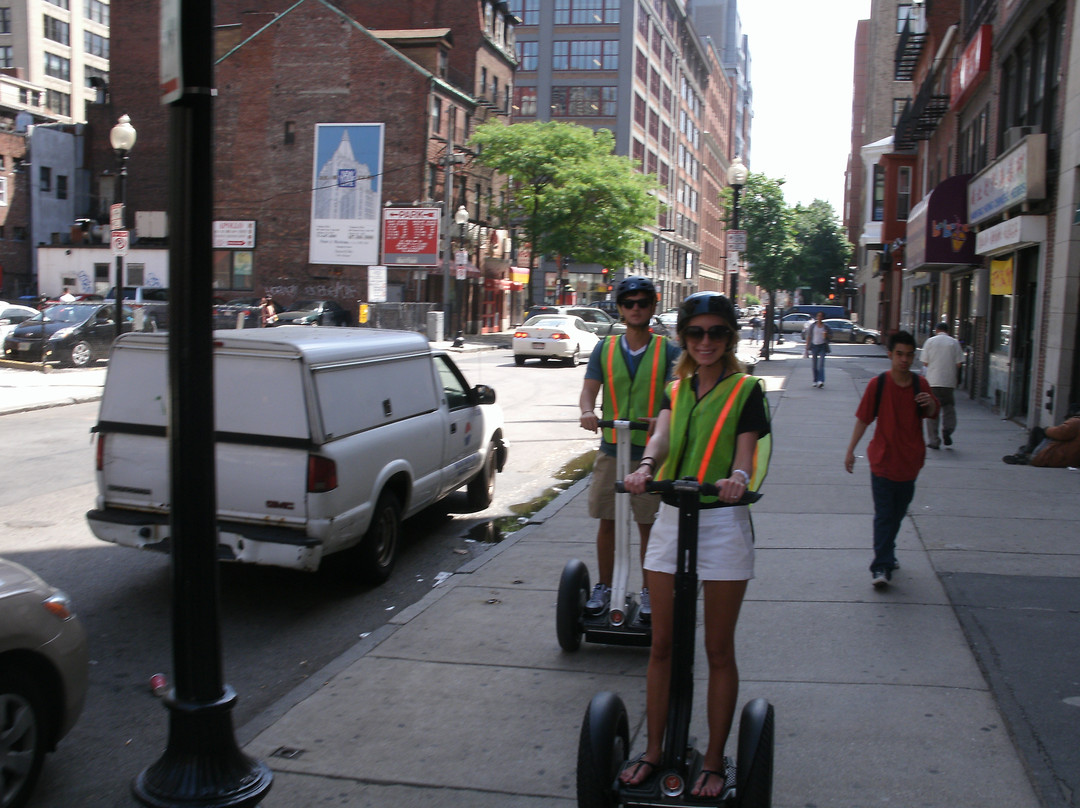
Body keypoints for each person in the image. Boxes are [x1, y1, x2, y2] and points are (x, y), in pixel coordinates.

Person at [618, 292, 771, 799]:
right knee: (661, 644)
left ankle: (712, 761)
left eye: (717, 333)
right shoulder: (675, 388)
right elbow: (660, 439)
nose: (706, 342)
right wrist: (643, 467)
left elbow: (746, 452)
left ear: (730, 338)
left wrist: (738, 476)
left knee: (717, 648)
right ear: (684, 337)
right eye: (697, 333)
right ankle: (654, 750)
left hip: (723, 521)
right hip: (671, 516)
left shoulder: (747, 389)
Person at [579, 276, 681, 621]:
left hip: (651, 453)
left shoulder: (669, 350)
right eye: (629, 303)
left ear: (653, 307)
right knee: (607, 521)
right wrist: (588, 411)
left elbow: (676, 396)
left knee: (647, 524)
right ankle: (605, 586)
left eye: (642, 303)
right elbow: (589, 388)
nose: (635, 309)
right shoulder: (605, 348)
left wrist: (663, 418)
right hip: (612, 448)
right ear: (620, 309)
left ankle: (651, 590)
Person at [844, 331, 938, 589]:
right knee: (885, 514)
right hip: (882, 461)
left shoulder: (921, 386)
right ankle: (881, 566)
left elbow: (932, 413)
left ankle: (888, 553)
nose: (904, 360)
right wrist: (851, 450)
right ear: (890, 355)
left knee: (897, 514)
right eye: (899, 354)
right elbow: (864, 418)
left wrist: (929, 403)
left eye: (909, 355)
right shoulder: (879, 384)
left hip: (909, 463)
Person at [920, 322, 964, 449]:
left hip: (932, 382)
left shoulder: (930, 342)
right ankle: (948, 430)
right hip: (948, 382)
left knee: (932, 411)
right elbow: (959, 364)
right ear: (948, 330)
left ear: (936, 330)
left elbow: (925, 362)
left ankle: (934, 440)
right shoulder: (954, 342)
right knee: (949, 409)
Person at [1002, 407, 1080, 467]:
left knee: (1037, 430)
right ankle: (1024, 455)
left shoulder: (1076, 422)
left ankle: (1026, 455)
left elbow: (1060, 433)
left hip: (1058, 456)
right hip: (1069, 459)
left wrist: (1047, 429)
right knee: (1025, 446)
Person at [803, 311, 831, 387]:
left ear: (823, 318)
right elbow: (809, 336)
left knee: (821, 364)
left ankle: (821, 381)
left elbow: (831, 336)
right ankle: (815, 380)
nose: (819, 317)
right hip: (814, 346)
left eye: (821, 316)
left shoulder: (826, 327)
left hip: (823, 346)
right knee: (814, 365)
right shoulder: (813, 326)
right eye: (818, 316)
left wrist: (826, 335)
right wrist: (807, 347)